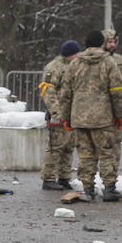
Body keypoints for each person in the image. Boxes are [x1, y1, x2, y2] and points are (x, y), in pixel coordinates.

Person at [59, 29, 122, 201]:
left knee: (85, 155)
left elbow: (66, 93)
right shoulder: (109, 62)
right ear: (102, 43)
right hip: (103, 118)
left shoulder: (75, 64)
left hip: (79, 118)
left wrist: (66, 118)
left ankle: (88, 189)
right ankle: (109, 189)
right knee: (106, 153)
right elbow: (117, 91)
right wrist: (120, 115)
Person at [38, 40, 81, 190]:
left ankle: (64, 177)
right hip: (58, 114)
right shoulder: (54, 67)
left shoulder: (74, 66)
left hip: (72, 114)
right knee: (55, 147)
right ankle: (49, 178)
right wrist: (56, 111)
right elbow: (47, 91)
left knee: (68, 147)